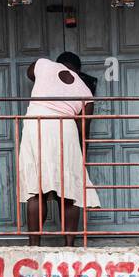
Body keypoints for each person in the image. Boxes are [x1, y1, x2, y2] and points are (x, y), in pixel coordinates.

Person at [19, 51, 100, 245]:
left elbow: (30, 73)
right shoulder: (85, 91)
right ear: (78, 71)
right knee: (69, 191)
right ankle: (70, 246)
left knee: (36, 190)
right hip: (66, 130)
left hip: (36, 124)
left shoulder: (43, 65)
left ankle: (33, 246)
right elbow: (83, 132)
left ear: (60, 63)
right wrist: (81, 161)